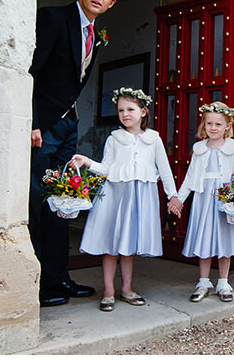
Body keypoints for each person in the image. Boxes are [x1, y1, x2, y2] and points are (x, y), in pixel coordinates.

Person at [28, 0, 119, 307]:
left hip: (68, 127)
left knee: (63, 204)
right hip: (43, 127)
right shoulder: (52, 18)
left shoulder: (96, 35)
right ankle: (36, 284)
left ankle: (58, 277)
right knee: (38, 202)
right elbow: (32, 71)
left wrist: (71, 122)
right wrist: (33, 122)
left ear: (111, 3)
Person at [69, 88, 177, 312]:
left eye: (130, 109)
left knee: (127, 246)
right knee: (111, 245)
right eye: (120, 110)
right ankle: (108, 292)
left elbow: (164, 170)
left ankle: (127, 289)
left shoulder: (153, 139)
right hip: (116, 195)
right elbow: (106, 168)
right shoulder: (114, 139)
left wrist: (173, 195)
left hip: (139, 196)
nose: (125, 114)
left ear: (143, 111)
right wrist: (87, 161)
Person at [166, 102, 234, 303]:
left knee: (224, 238)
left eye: (218, 124)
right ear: (204, 125)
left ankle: (223, 281)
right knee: (204, 237)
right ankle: (203, 281)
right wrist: (179, 198)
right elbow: (191, 176)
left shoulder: (233, 147)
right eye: (209, 123)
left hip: (223, 198)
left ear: (227, 126)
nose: (213, 128)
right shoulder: (199, 148)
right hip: (204, 199)